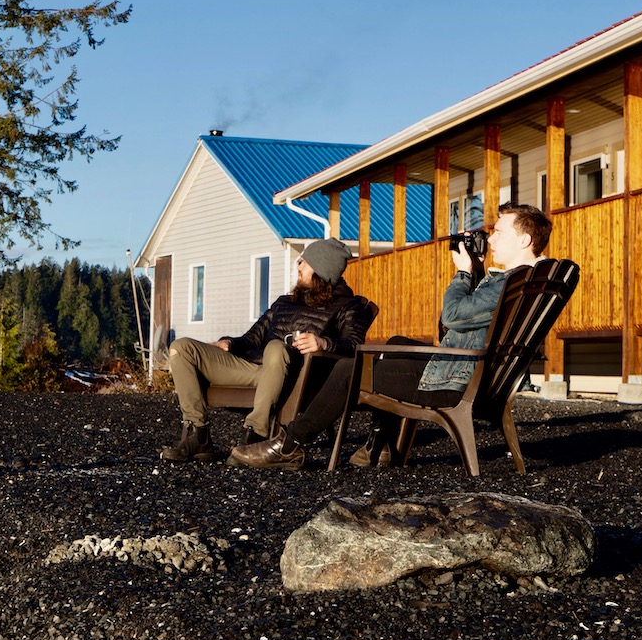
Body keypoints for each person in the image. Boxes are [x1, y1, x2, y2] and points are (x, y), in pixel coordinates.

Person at [228, 201, 552, 469]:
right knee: (395, 344)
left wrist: (464, 272)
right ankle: (379, 446)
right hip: (474, 370)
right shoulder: (528, 280)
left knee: (350, 367)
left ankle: (290, 445)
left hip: (456, 377)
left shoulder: (510, 282)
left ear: (524, 240)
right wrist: (476, 274)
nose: (491, 239)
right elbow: (459, 325)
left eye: (498, 232)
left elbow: (453, 316)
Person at [158, 238, 375, 462]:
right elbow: (252, 337)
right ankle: (198, 436)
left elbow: (354, 346)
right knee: (181, 347)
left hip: (295, 377)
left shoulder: (349, 307)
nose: (298, 266)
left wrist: (324, 343)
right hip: (255, 370)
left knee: (275, 347)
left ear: (322, 270)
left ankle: (256, 433)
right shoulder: (285, 303)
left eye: (305, 262)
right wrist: (229, 343)